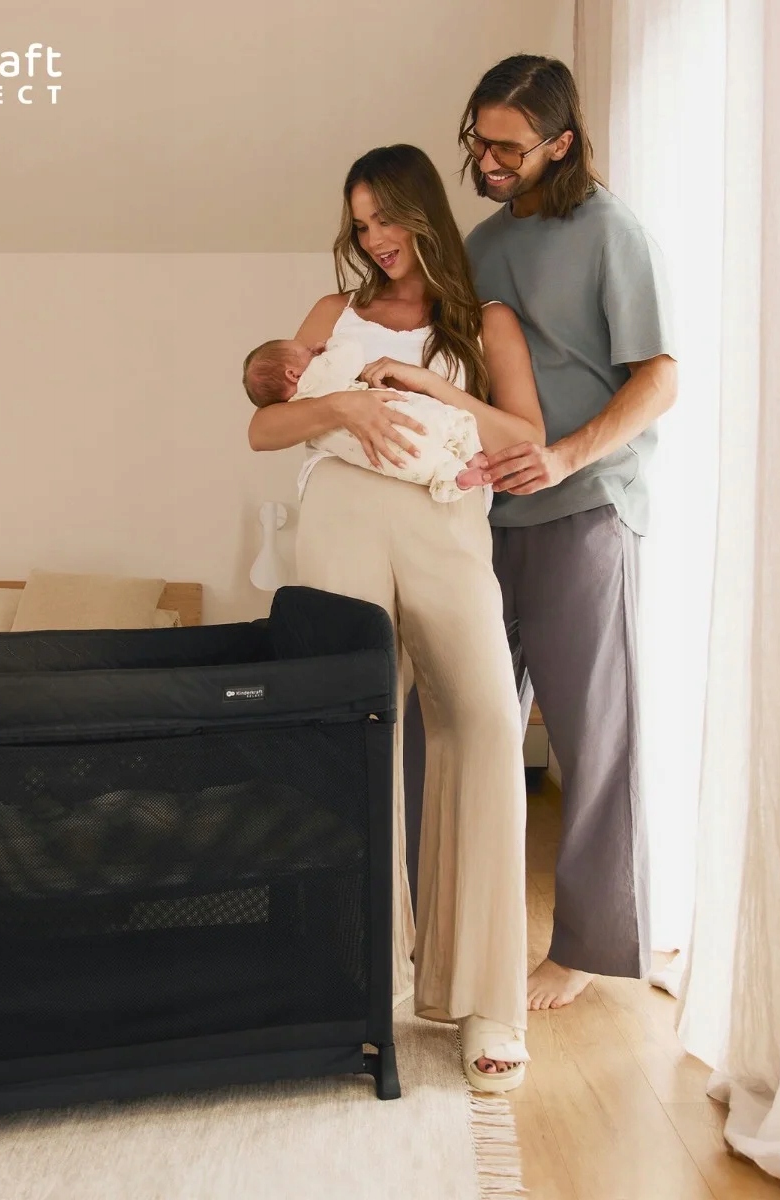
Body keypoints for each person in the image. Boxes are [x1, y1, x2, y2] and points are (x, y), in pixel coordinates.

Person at [247, 142, 546, 1091]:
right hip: (341, 513)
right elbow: (263, 424)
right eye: (361, 223)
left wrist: (431, 388)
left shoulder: (485, 320)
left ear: (423, 214)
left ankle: (484, 996)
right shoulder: (333, 313)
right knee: (352, 734)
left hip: (448, 525)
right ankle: (358, 981)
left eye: (386, 218)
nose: (375, 238)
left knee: (486, 723)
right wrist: (344, 407)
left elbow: (524, 436)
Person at [458, 54, 677, 1010]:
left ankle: (588, 947)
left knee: (593, 740)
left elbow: (659, 377)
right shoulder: (478, 245)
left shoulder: (611, 232)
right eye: (479, 140)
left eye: (508, 147)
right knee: (464, 728)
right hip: (484, 519)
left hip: (587, 510)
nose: (488, 160)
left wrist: (564, 458)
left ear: (561, 144)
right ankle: (450, 929)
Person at [241, 335, 490, 502]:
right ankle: (469, 452)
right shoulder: (315, 377)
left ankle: (456, 477)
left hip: (375, 456)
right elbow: (351, 353)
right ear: (293, 375)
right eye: (306, 351)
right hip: (392, 421)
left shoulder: (301, 413)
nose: (312, 350)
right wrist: (331, 345)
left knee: (420, 463)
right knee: (433, 421)